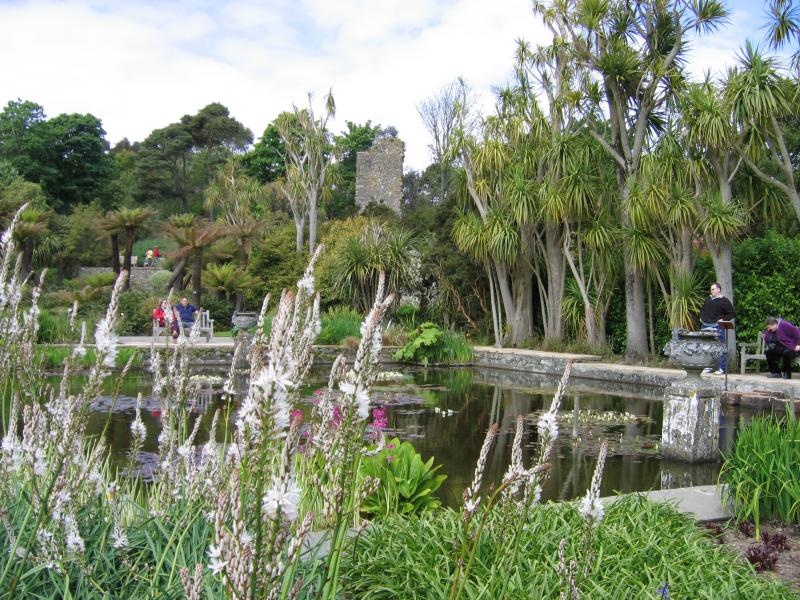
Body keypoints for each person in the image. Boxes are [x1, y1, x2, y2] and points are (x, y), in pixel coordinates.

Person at [699, 282, 735, 375]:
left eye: (713, 289)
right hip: (705, 325)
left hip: (717, 326)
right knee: (706, 347)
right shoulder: (707, 299)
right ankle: (708, 367)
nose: (712, 290)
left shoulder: (724, 300)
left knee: (721, 347)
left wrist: (723, 319)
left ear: (719, 289)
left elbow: (732, 313)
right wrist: (701, 317)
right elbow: (702, 309)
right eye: (711, 289)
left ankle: (722, 368)